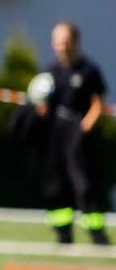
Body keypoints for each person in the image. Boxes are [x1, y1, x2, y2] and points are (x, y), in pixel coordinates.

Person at [40, 22, 108, 245]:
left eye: (65, 41)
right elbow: (44, 105)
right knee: (56, 184)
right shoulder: (51, 71)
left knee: (83, 183)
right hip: (56, 132)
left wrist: (86, 126)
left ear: (75, 42)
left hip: (78, 131)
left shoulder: (89, 70)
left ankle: (97, 234)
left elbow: (98, 103)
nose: (61, 46)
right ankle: (63, 233)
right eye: (57, 41)